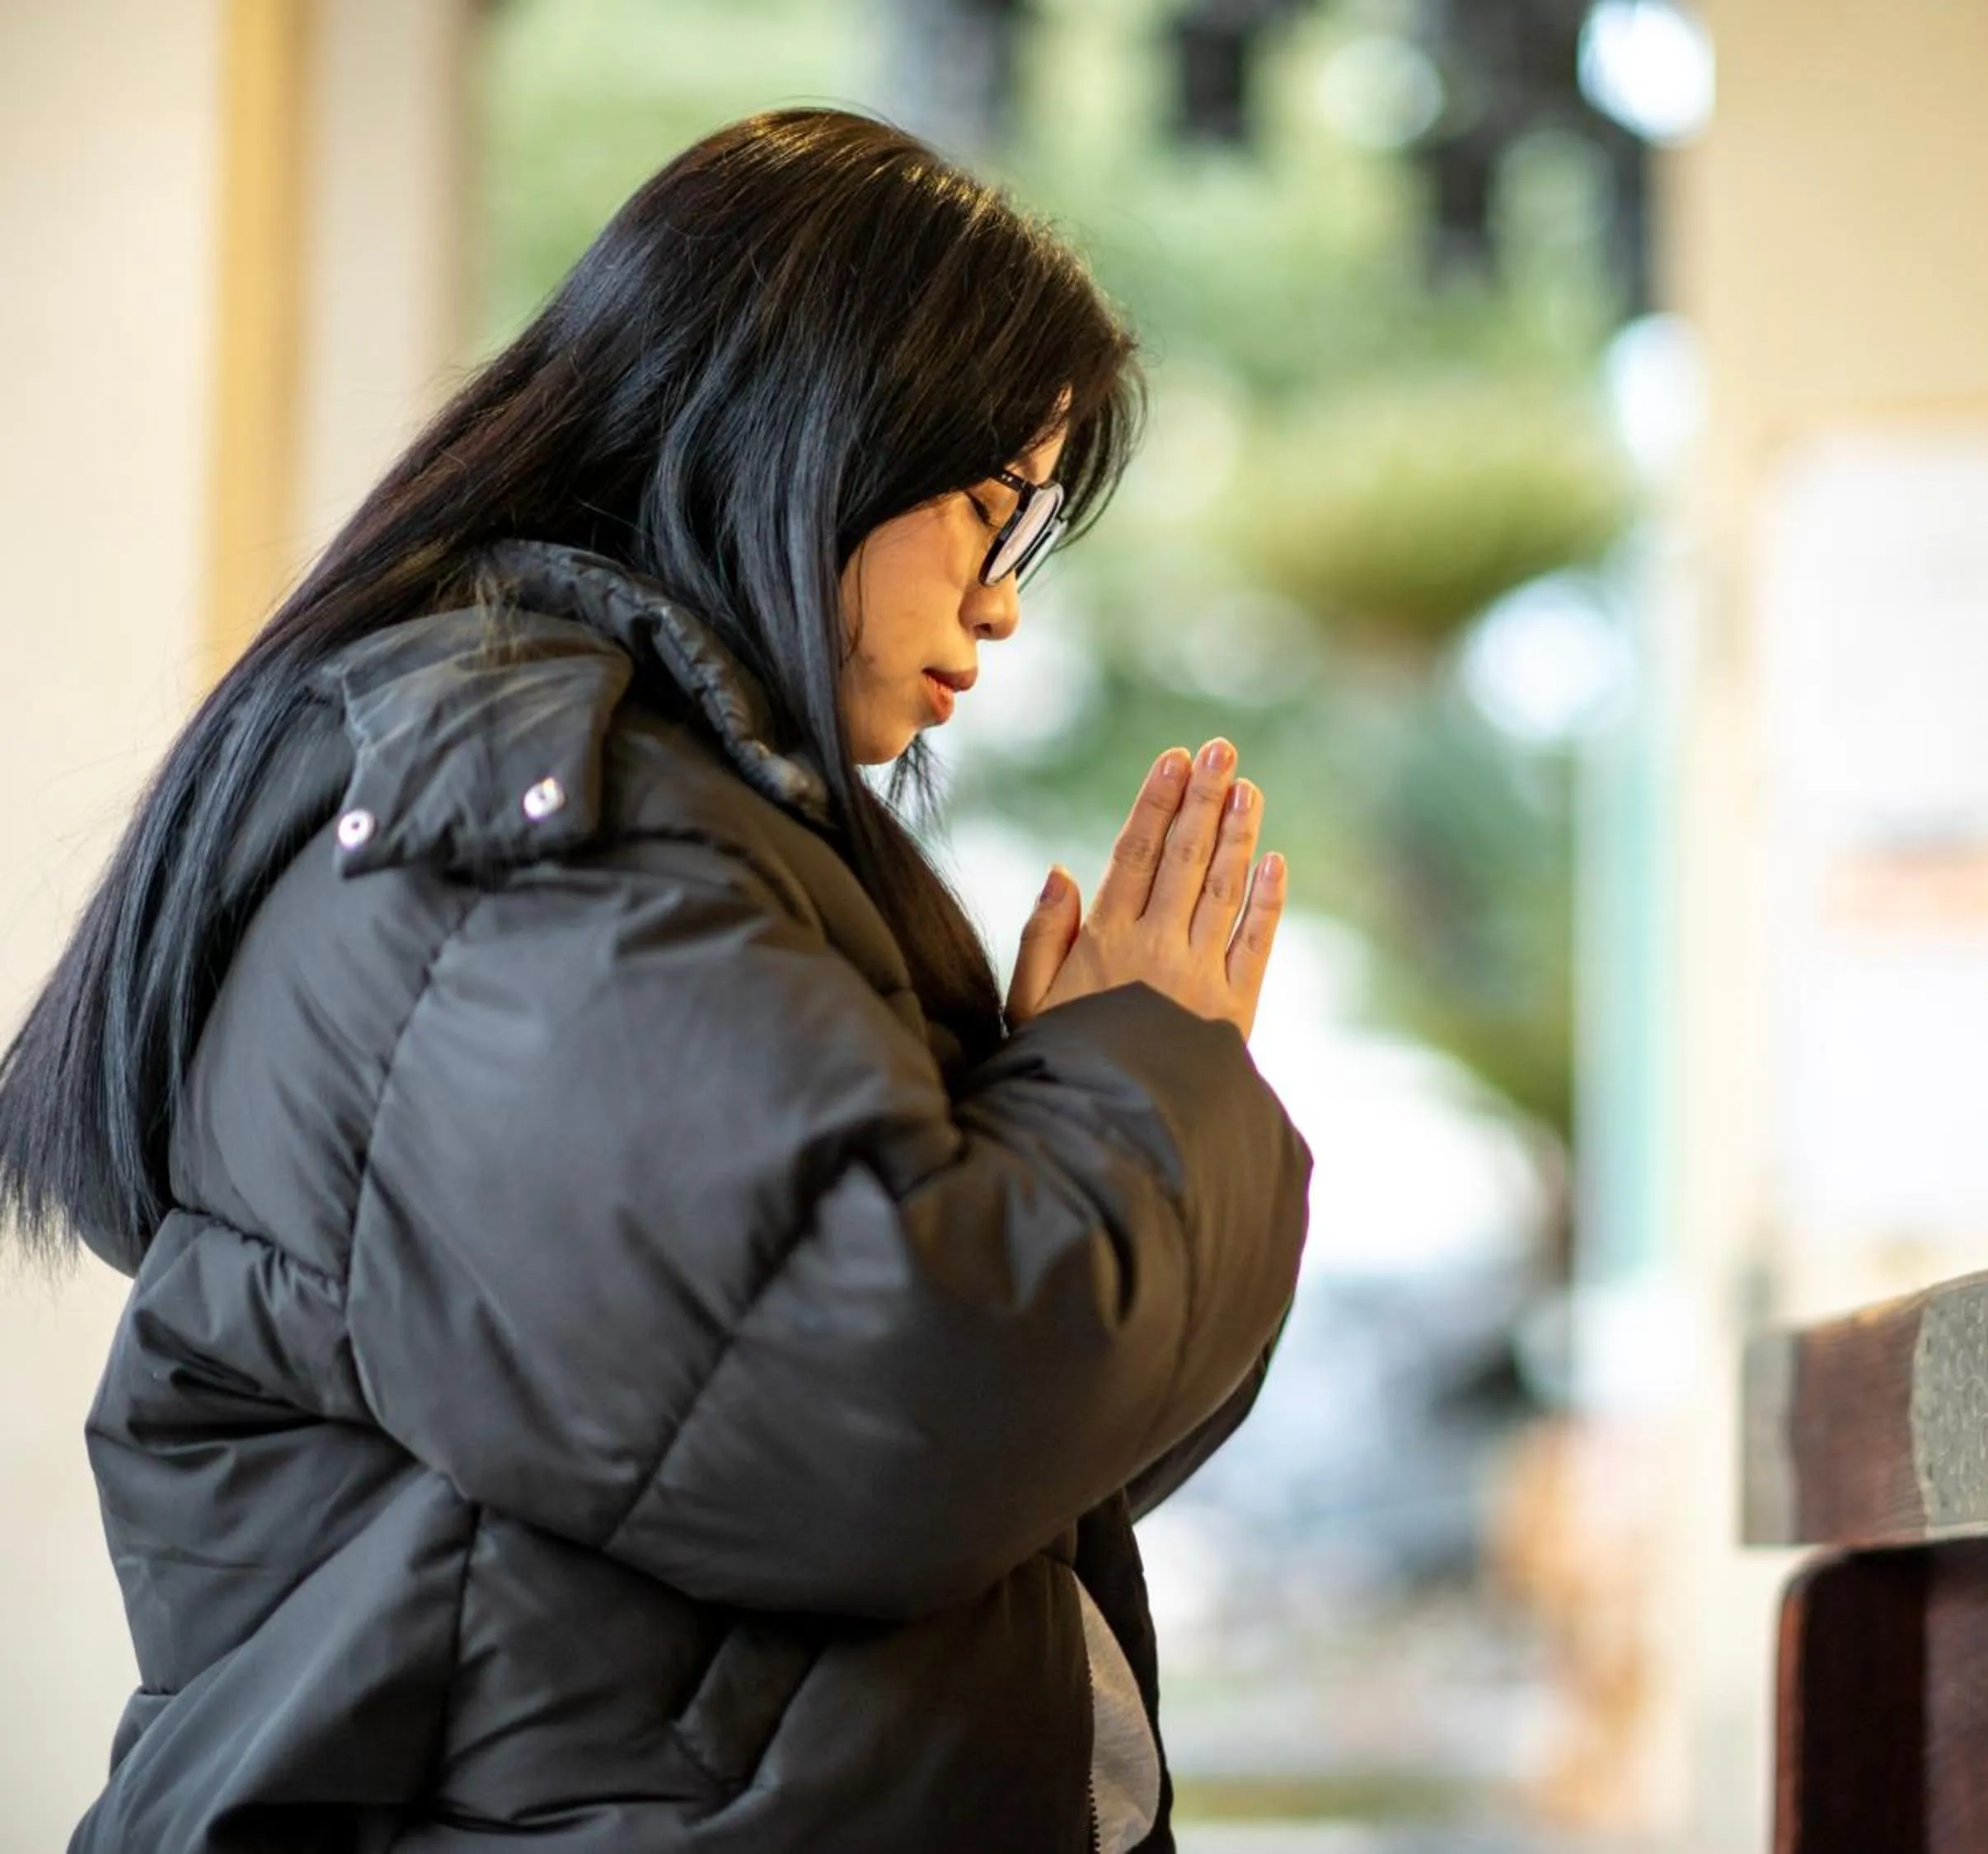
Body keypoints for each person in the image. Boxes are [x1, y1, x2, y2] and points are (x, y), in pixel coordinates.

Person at [0, 109, 1311, 1852]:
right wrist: (1145, 1072)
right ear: (809, 431)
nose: (1000, 610)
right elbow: (897, 1411)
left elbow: (992, 1471)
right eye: (987, 511)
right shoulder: (524, 835)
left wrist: (1086, 1095)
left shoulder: (606, 813)